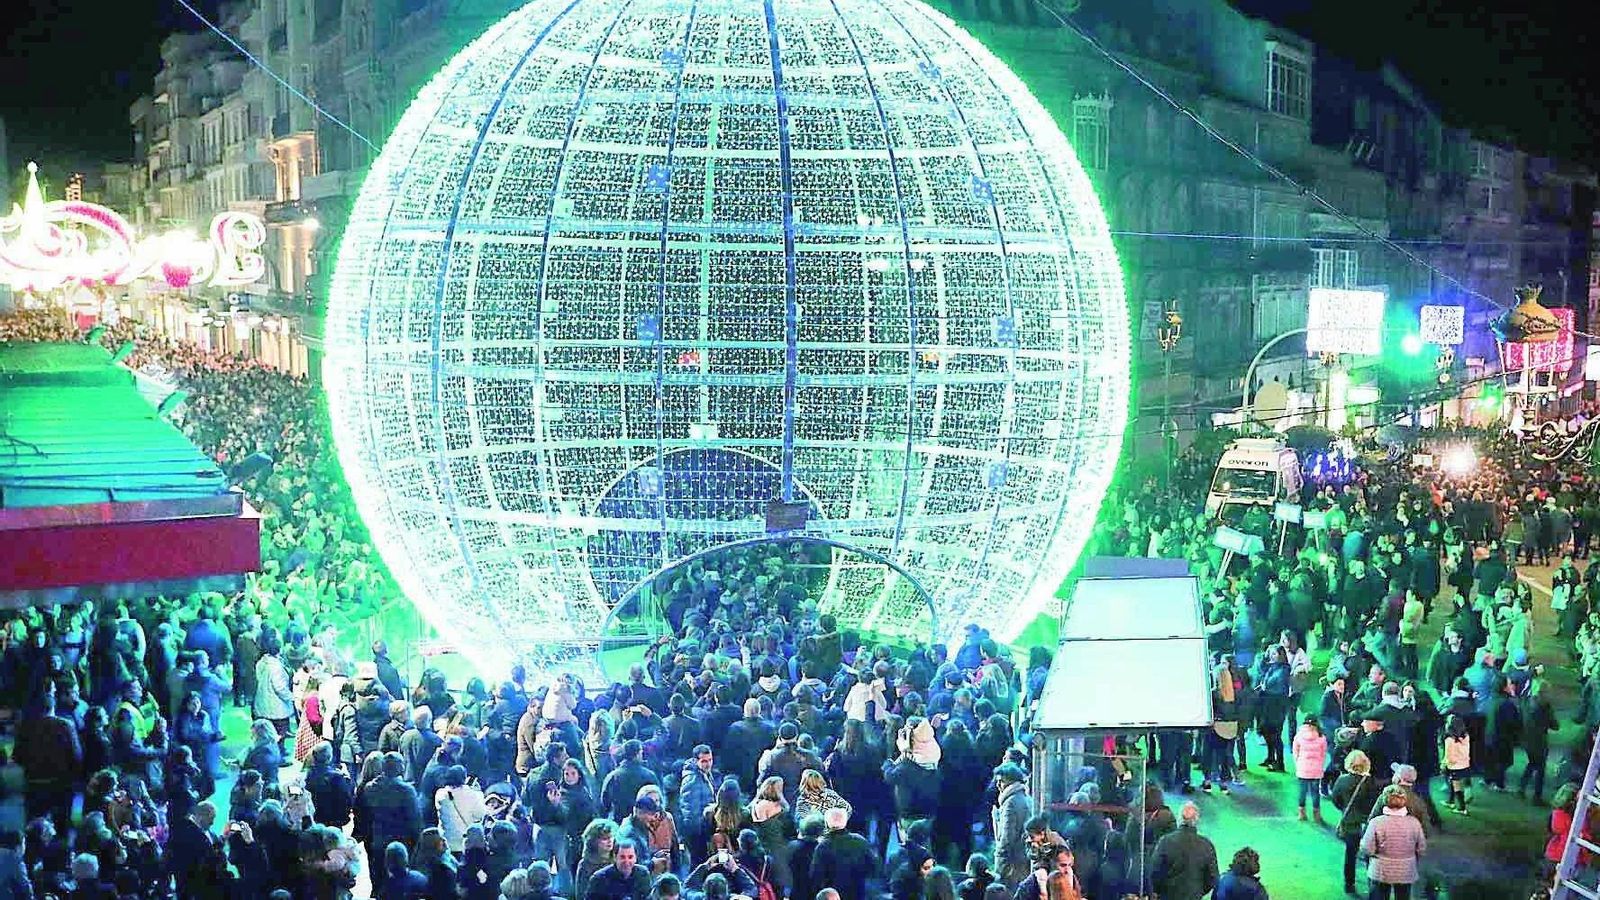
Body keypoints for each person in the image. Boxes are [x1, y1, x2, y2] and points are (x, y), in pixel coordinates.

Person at [1360, 786, 1427, 899]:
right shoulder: (1414, 822)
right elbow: (1421, 848)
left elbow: (1367, 848)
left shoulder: (1376, 822)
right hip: (1405, 870)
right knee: (1403, 896)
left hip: (1381, 869)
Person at [1331, 750, 1381, 895]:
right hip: (1367, 824)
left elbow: (1336, 799)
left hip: (1350, 823)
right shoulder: (1371, 783)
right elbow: (1375, 803)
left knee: (1350, 854)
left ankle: (1349, 884)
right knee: (1369, 854)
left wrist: (1344, 809)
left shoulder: (1342, 780)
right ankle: (1372, 884)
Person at [1149, 802, 1218, 900]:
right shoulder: (1207, 845)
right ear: (1196, 820)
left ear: (1179, 818)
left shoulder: (1165, 841)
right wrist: (1197, 892)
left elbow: (1154, 872)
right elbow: (1213, 878)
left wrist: (1159, 892)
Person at [809, 806, 875, 900]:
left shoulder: (823, 846)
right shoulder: (860, 841)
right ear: (845, 822)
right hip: (858, 893)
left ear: (827, 823)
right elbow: (873, 867)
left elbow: (816, 875)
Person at [990, 762, 1033, 886]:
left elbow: (1006, 838)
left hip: (1012, 865)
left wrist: (999, 865)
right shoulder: (1026, 798)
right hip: (1023, 861)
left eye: (1001, 781)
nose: (998, 785)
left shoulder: (1010, 803)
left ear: (1012, 782)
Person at [1291, 716, 1328, 824]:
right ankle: (1316, 815)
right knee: (1315, 793)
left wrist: (1298, 764)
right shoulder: (1321, 737)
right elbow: (1323, 753)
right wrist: (1320, 765)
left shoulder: (1299, 736)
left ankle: (1301, 813)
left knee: (1302, 792)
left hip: (1303, 768)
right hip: (1316, 770)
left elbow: (1295, 752)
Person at [587, 842, 651, 900]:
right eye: (622, 857)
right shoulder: (599, 879)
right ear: (615, 857)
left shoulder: (643, 874)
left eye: (630, 857)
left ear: (635, 858)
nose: (626, 861)